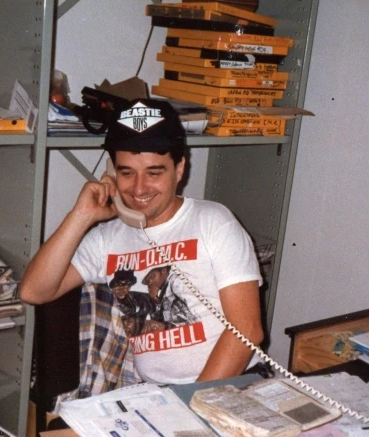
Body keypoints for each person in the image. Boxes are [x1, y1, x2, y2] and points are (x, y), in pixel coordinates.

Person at [19, 97, 264, 385]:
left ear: (180, 169)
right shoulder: (108, 238)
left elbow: (247, 329)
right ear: (112, 172)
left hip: (225, 385)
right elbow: (33, 292)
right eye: (126, 173)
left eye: (154, 173)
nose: (138, 188)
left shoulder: (213, 222)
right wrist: (82, 215)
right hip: (154, 395)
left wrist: (189, 406)